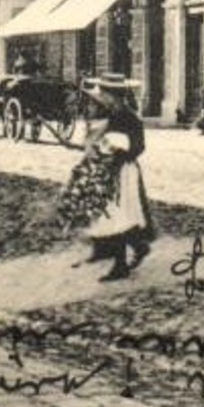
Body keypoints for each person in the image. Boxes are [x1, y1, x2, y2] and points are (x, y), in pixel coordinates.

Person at [58, 76, 155, 282]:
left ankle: (121, 265)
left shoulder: (129, 117)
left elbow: (138, 147)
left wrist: (121, 149)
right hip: (109, 169)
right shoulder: (112, 115)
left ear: (115, 96)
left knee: (116, 215)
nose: (102, 98)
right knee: (115, 214)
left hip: (123, 172)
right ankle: (136, 247)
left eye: (105, 94)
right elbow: (99, 144)